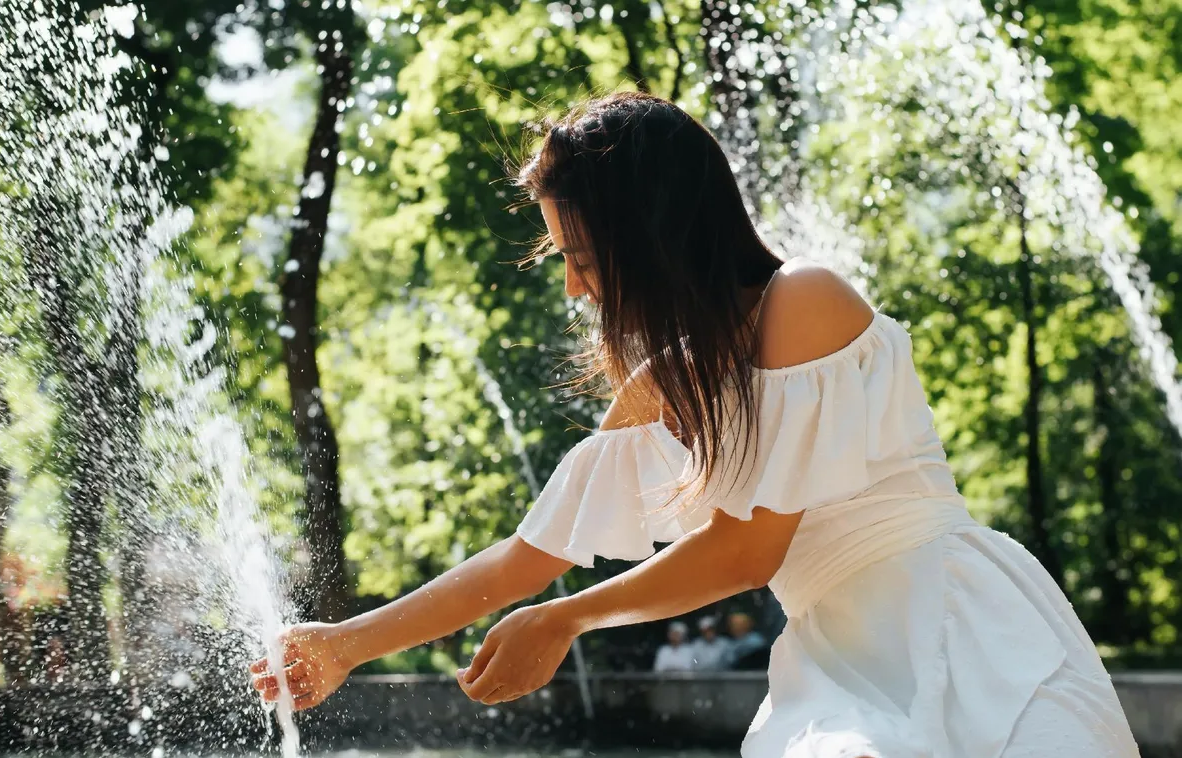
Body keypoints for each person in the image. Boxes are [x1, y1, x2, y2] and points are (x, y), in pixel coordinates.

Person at [251, 93, 1139, 757]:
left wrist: (567, 622)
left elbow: (748, 549)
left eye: (586, 258)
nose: (572, 287)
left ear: (655, 233)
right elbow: (529, 554)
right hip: (837, 656)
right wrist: (345, 645)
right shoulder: (662, 384)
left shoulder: (808, 300)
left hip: (959, 625)